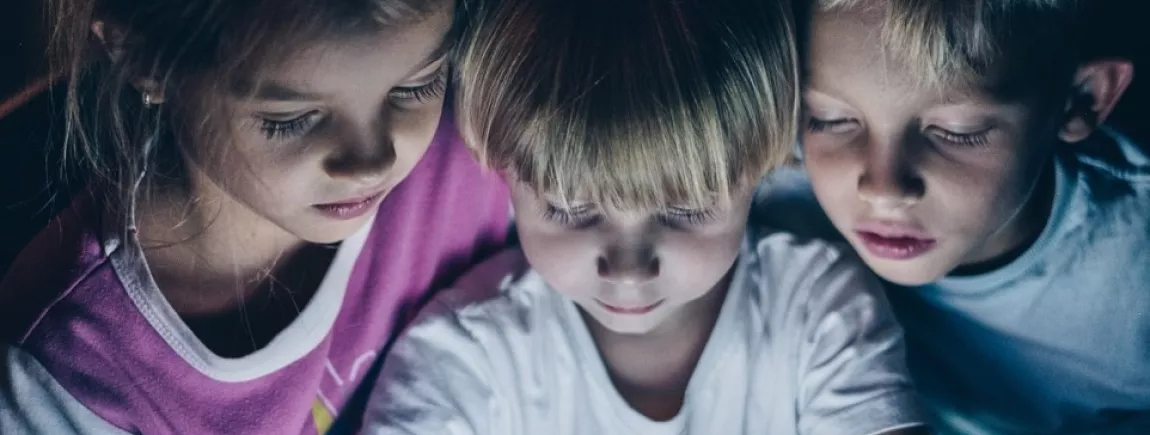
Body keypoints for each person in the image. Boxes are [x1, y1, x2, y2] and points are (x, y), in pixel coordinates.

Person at [362, 0, 927, 433]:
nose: (628, 271)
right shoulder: (461, 359)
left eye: (685, 210)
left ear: (763, 166)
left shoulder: (819, 313)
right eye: (571, 209)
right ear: (503, 168)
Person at [0, 0, 511, 433]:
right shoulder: (73, 370)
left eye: (415, 87)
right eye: (291, 120)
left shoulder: (481, 134)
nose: (372, 161)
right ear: (144, 61)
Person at [755, 0, 1148, 433]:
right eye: (830, 120)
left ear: (1080, 100)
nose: (884, 191)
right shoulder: (770, 181)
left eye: (957, 132)